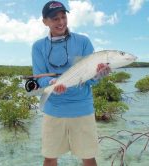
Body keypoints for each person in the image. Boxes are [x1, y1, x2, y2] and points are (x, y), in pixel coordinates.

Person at [31, 1, 110, 166]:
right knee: (49, 157)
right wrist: (51, 82)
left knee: (89, 157)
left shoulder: (83, 42)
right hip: (54, 111)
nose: (61, 22)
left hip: (82, 109)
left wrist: (99, 75)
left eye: (63, 17)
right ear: (45, 21)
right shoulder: (38, 47)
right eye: (55, 19)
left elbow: (92, 80)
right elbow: (39, 77)